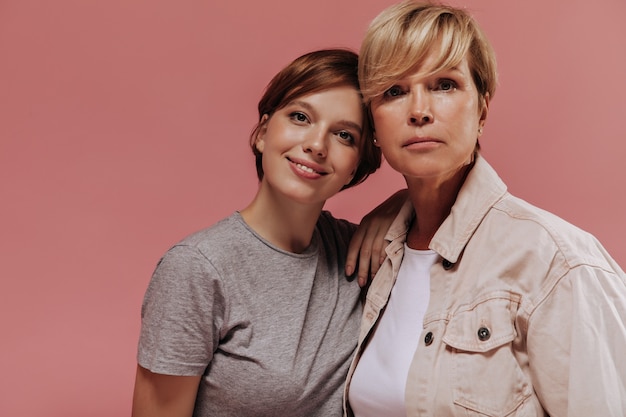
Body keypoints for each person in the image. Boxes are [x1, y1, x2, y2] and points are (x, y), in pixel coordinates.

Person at [344, 2, 626, 416]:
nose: (419, 110)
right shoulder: (375, 260)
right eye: (394, 91)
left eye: (444, 85)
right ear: (374, 125)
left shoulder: (557, 263)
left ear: (482, 109)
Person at [131, 48, 405, 417]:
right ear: (262, 133)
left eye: (343, 135)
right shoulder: (198, 270)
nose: (316, 145)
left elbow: (467, 213)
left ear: (357, 166)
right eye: (300, 117)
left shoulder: (361, 253)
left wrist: (405, 201)